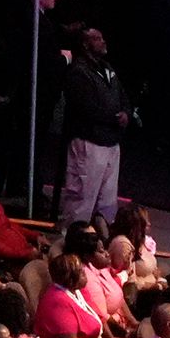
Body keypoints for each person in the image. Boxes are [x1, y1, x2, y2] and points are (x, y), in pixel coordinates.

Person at [56, 30, 131, 227]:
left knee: (107, 199)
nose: (103, 41)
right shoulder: (78, 71)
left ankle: (100, 240)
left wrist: (126, 113)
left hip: (111, 142)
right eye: (97, 38)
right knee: (82, 196)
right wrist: (114, 118)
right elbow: (85, 107)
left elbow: (123, 96)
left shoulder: (108, 69)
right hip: (89, 141)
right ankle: (72, 239)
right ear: (85, 45)